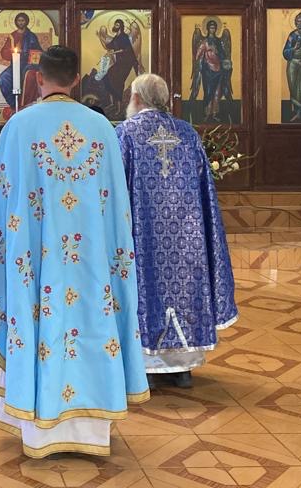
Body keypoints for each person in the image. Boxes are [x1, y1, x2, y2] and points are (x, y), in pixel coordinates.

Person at [0, 45, 148, 458]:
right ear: (77, 79)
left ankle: (39, 429)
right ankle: (91, 430)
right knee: (93, 324)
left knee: (38, 324)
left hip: (36, 263)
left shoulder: (19, 126)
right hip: (95, 265)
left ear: (39, 78)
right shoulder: (102, 128)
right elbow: (119, 205)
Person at [116, 74, 238, 389]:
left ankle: (149, 368)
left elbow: (115, 188)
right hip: (187, 236)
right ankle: (182, 368)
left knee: (147, 290)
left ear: (137, 99)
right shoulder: (187, 133)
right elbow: (205, 189)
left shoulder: (126, 134)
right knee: (185, 289)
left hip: (143, 236)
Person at [82, 18, 143, 120]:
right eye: (115, 25)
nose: (115, 26)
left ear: (121, 27)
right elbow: (108, 46)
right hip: (119, 63)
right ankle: (112, 103)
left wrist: (114, 52)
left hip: (125, 63)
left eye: (117, 25)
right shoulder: (116, 37)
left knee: (117, 82)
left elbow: (126, 50)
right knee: (106, 77)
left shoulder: (124, 37)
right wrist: (100, 37)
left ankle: (119, 108)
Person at [0, 12, 43, 115]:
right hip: (15, 64)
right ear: (16, 22)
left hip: (28, 65)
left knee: (28, 78)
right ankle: (14, 106)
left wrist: (28, 54)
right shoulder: (12, 36)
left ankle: (25, 106)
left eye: (22, 20)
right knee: (2, 79)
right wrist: (12, 52)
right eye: (19, 21)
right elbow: (4, 52)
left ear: (26, 22)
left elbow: (39, 51)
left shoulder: (31, 36)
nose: (21, 22)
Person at [189, 19, 232, 122]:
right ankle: (207, 113)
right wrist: (207, 53)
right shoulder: (205, 42)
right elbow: (198, 55)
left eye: (214, 28)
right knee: (208, 92)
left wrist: (218, 53)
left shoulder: (218, 42)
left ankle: (214, 113)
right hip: (207, 71)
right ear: (207, 29)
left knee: (217, 93)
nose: (213, 29)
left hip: (219, 71)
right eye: (211, 27)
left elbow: (224, 55)